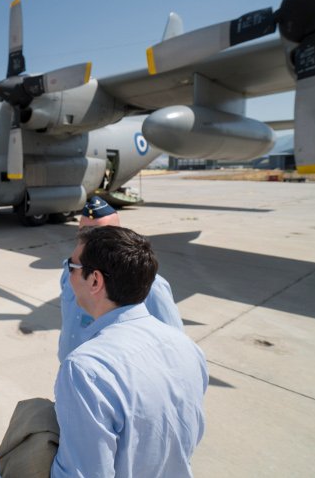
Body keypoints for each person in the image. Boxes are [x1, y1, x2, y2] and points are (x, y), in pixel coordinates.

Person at [52, 226, 208, 477]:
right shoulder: (188, 348)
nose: (68, 276)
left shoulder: (85, 369)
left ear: (95, 281)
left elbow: (83, 472)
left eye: (72, 268)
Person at [58, 196, 183, 362]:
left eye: (97, 234)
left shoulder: (150, 284)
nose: (88, 241)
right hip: (70, 366)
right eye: (83, 233)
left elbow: (172, 342)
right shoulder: (70, 271)